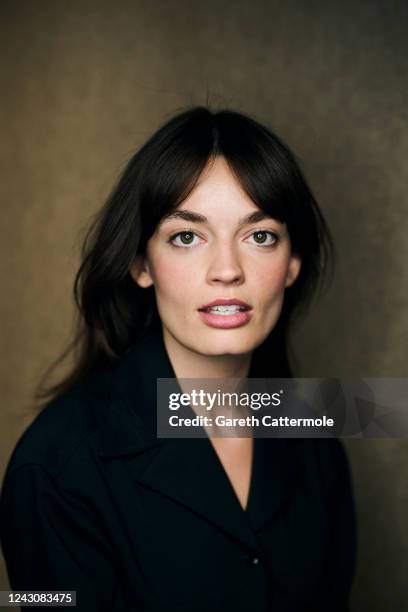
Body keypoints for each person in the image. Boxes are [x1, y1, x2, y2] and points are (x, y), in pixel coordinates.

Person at [0, 107, 356, 611]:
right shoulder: (55, 466)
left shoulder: (317, 436)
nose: (227, 270)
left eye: (261, 236)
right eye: (187, 237)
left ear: (293, 262)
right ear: (142, 263)